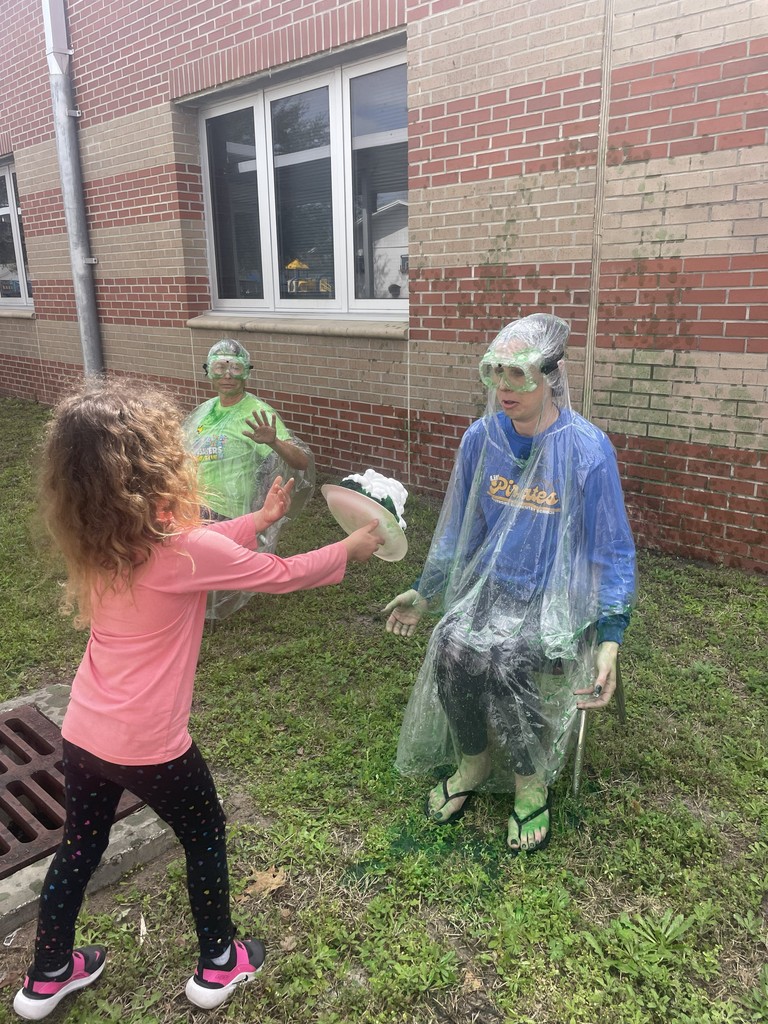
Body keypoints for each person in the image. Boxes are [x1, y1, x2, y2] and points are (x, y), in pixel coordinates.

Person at [13, 379, 381, 1021]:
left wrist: (257, 521)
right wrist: (350, 547)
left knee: (79, 844)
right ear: (158, 464)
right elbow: (282, 574)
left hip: (83, 730)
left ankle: (45, 978)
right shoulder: (183, 550)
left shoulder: (100, 545)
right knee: (206, 835)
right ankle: (218, 963)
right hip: (152, 746)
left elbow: (206, 549)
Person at [384, 313, 636, 854]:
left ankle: (529, 780)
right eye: (494, 373)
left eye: (517, 375)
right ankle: (473, 762)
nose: (502, 388)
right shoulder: (482, 438)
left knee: (506, 659)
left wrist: (611, 634)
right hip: (494, 586)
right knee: (450, 645)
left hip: (558, 597)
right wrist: (426, 591)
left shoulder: (588, 449)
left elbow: (612, 548)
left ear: (552, 376)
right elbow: (457, 525)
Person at [184, 338, 315, 620]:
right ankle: (197, 604)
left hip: (229, 507)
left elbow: (301, 461)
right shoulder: (204, 412)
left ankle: (222, 606)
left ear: (247, 372)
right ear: (208, 371)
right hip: (194, 501)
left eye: (235, 367)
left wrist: (274, 442)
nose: (227, 376)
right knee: (192, 559)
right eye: (220, 367)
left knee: (221, 565)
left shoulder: (258, 413)